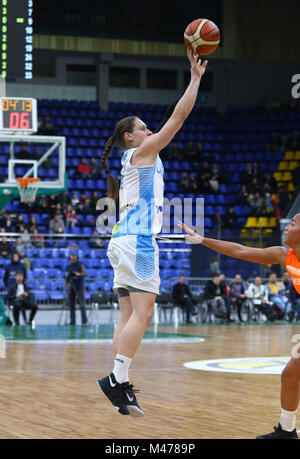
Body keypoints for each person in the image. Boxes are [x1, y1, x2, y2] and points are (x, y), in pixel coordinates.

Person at [97, 49, 208, 417]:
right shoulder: (143, 151)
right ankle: (117, 378)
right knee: (144, 315)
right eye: (143, 127)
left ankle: (121, 381)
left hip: (120, 240)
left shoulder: (133, 157)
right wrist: (194, 79)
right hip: (139, 240)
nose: (149, 130)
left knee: (126, 315)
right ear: (131, 137)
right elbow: (179, 117)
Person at [178, 213, 300, 439]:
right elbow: (239, 250)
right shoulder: (284, 256)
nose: (285, 227)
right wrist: (202, 240)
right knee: (290, 376)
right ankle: (288, 430)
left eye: (292, 224)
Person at [65, 254, 88, 325]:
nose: (73, 260)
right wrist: (65, 282)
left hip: (79, 286)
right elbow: (67, 276)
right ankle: (72, 321)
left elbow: (85, 274)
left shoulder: (81, 265)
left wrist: (78, 274)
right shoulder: (68, 266)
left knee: (82, 304)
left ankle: (84, 321)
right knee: (71, 304)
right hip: (71, 286)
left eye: (74, 259)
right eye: (71, 259)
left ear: (77, 259)